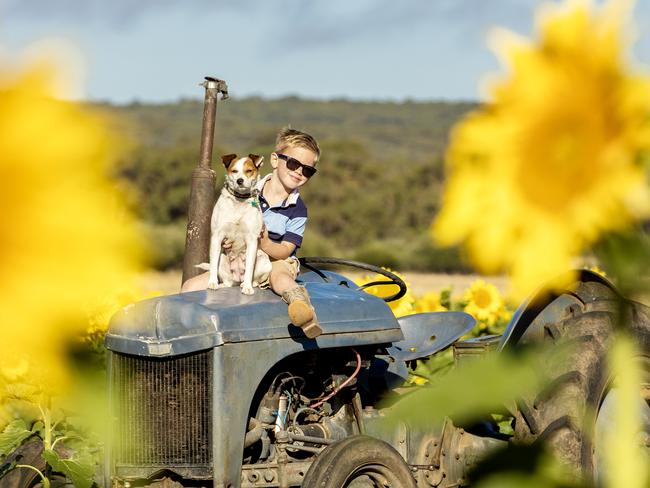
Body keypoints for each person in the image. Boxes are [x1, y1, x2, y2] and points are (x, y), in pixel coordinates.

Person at [182, 127, 322, 338]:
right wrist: (226, 243)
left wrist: (264, 243)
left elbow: (285, 250)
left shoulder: (298, 209)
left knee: (280, 277)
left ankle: (303, 310)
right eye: (293, 164)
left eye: (307, 170)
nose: (299, 172)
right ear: (275, 160)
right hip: (236, 258)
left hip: (275, 260)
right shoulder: (248, 191)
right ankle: (187, 330)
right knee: (190, 286)